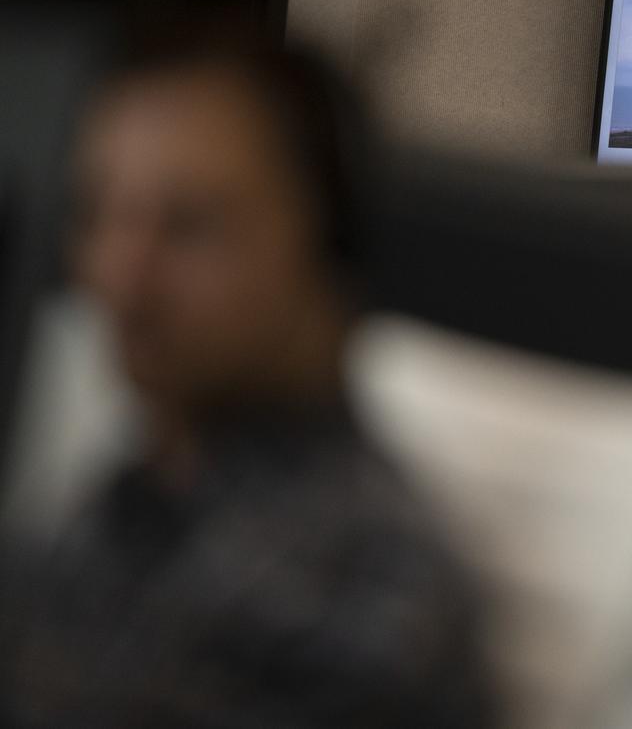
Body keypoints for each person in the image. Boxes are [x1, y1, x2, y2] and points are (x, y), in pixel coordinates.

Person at [0, 39, 495, 727]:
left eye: (189, 225)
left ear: (325, 243)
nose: (118, 279)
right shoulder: (126, 501)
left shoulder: (363, 591)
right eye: (101, 213)